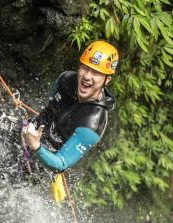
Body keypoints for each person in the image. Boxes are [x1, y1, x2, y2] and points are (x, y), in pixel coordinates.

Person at [21, 40, 118, 172]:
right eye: (85, 68)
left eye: (96, 73)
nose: (87, 77)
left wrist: (36, 146)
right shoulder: (65, 80)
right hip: (28, 132)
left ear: (107, 80)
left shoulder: (92, 124)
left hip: (41, 161)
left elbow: (61, 163)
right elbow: (50, 103)